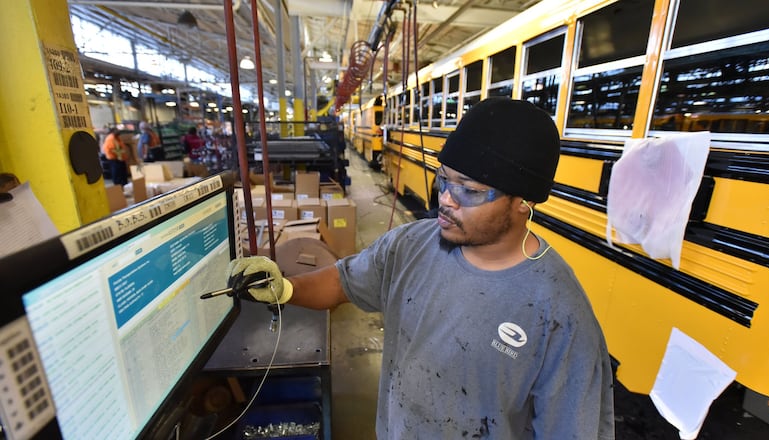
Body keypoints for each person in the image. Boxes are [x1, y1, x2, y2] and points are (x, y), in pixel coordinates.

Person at [226, 98, 615, 439]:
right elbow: (343, 281)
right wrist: (286, 289)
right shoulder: (410, 245)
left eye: (469, 189)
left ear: (521, 202)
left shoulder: (560, 315)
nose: (445, 198)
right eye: (443, 178)